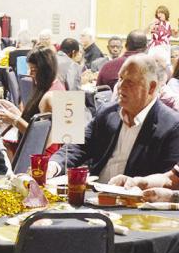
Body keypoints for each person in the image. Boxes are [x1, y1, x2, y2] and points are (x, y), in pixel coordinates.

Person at [47, 54, 179, 182]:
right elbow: (79, 146)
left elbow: (168, 180)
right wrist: (53, 166)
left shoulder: (171, 126)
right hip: (94, 193)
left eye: (130, 82)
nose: (121, 86)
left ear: (151, 87)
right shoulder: (108, 112)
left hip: (133, 199)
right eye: (120, 79)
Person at [0, 47, 63, 135]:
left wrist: (14, 119)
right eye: (29, 69)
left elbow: (39, 137)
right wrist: (16, 113)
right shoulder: (58, 85)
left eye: (33, 70)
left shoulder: (49, 97)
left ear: (45, 70)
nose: (29, 74)